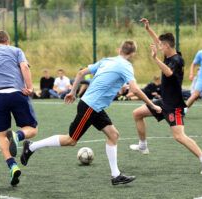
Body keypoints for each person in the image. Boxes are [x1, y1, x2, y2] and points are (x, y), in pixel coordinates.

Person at [20, 40, 162, 185]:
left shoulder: (107, 60)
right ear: (133, 54)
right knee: (71, 140)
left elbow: (81, 72)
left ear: (119, 51)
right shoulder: (126, 66)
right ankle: (31, 146)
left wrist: (72, 92)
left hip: (95, 107)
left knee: (113, 135)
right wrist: (152, 105)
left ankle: (116, 175)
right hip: (90, 107)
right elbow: (135, 90)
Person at [130, 18, 202, 175]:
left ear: (167, 46)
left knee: (179, 136)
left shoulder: (177, 60)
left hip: (174, 106)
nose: (159, 47)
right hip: (164, 102)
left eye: (161, 46)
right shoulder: (169, 55)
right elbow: (158, 41)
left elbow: (168, 73)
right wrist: (148, 29)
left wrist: (155, 58)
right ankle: (143, 145)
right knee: (137, 113)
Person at [0, 30, 38, 186]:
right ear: (7, 42)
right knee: (32, 128)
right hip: (17, 93)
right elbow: (25, 67)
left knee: (1, 136)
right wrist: (29, 87)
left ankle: (12, 166)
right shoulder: (16, 50)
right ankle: (17, 136)